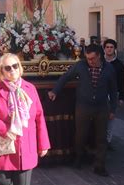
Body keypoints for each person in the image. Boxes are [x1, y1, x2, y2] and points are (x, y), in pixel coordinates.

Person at [0, 53, 50, 185]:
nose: (12, 70)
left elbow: (39, 116)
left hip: (26, 149)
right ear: (1, 71)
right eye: (7, 67)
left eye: (15, 66)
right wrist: (5, 129)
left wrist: (43, 143)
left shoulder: (30, 88)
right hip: (3, 151)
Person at [48, 44, 117, 177]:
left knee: (101, 138)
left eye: (92, 59)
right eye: (88, 58)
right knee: (81, 134)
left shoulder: (109, 69)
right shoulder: (81, 65)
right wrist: (55, 90)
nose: (90, 61)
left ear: (99, 56)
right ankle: (78, 158)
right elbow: (66, 77)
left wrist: (113, 109)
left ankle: (100, 166)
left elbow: (113, 90)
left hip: (102, 107)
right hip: (83, 106)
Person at [103, 39, 124, 150]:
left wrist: (121, 97)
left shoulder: (119, 65)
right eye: (107, 47)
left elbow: (123, 81)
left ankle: (108, 141)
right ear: (104, 49)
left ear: (115, 49)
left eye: (111, 47)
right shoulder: (99, 62)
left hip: (113, 95)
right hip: (100, 94)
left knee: (111, 119)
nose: (109, 49)